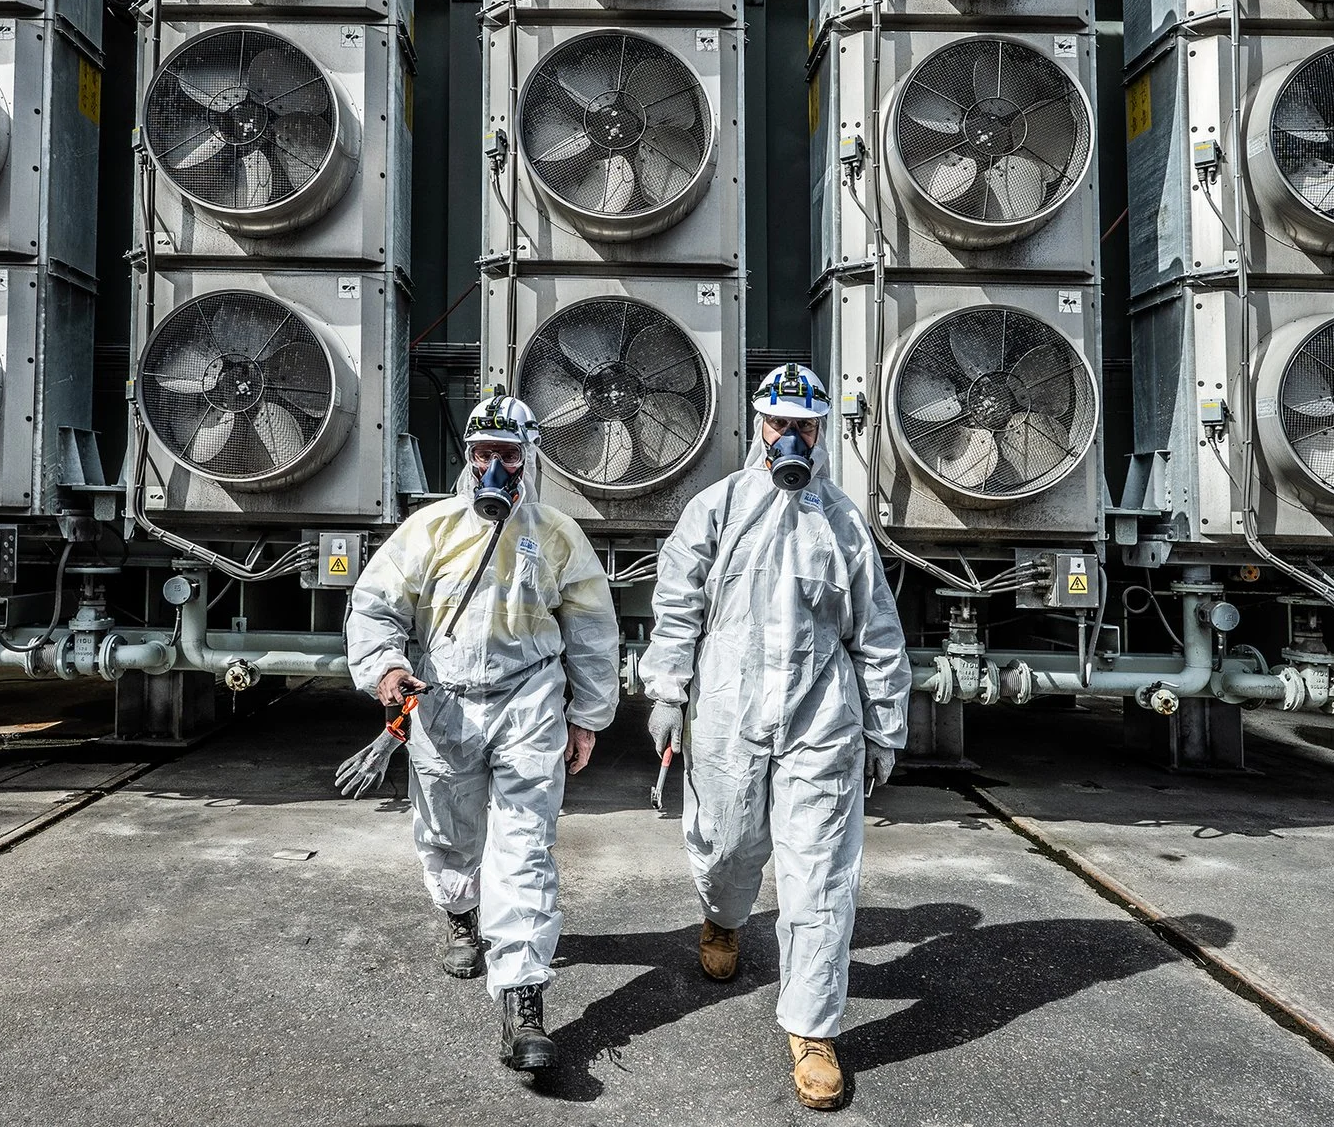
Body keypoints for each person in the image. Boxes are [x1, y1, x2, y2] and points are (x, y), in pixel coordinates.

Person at [639, 364, 911, 1111]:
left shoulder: (844, 521)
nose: (792, 437)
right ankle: (724, 916)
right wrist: (666, 690)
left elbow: (877, 630)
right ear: (757, 425)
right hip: (728, 710)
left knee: (820, 876)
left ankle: (813, 1030)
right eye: (778, 423)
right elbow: (676, 607)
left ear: (822, 432)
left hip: (822, 718)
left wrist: (885, 724)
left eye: (806, 427)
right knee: (727, 844)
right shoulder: (717, 508)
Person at [344, 394, 620, 1074]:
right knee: (447, 835)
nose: (494, 468)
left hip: (528, 702)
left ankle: (523, 998)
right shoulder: (429, 530)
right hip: (443, 706)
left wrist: (586, 715)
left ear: (531, 460)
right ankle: (461, 913)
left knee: (524, 850)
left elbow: (590, 630)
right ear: (468, 457)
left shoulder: (558, 535)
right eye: (483, 454)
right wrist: (387, 668)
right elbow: (375, 604)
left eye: (509, 456)